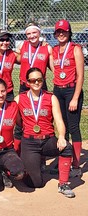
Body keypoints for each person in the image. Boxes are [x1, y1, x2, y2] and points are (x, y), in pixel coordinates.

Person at [15, 67, 75, 198]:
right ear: (27, 82)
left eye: (39, 80)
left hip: (47, 139)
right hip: (30, 142)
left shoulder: (51, 98)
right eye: (32, 80)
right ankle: (29, 166)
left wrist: (62, 137)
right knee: (35, 183)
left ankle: (63, 184)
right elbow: (15, 118)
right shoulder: (19, 99)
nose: (36, 83)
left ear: (44, 80)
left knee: (66, 147)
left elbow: (59, 121)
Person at [14, 22, 54, 154]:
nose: (32, 36)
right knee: (21, 121)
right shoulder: (22, 46)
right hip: (25, 87)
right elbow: (9, 56)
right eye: (28, 34)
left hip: (39, 86)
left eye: (34, 33)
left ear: (39, 33)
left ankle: (41, 155)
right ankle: (18, 154)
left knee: (43, 120)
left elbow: (54, 68)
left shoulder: (47, 48)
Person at [52, 19, 84, 178]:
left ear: (69, 32)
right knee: (61, 127)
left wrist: (75, 98)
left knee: (73, 127)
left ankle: (76, 164)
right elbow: (55, 69)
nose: (61, 34)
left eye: (63, 31)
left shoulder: (75, 49)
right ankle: (64, 161)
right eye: (58, 31)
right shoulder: (54, 50)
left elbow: (80, 76)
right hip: (58, 90)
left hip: (72, 91)